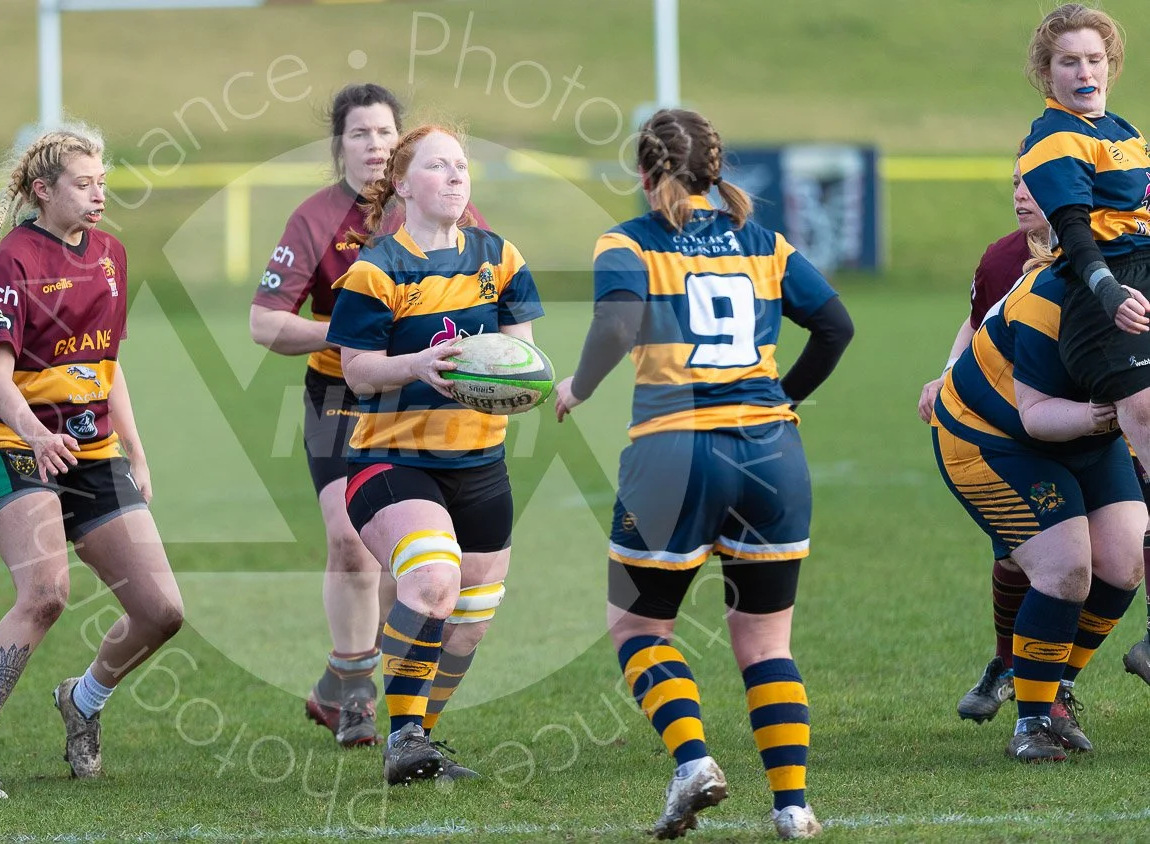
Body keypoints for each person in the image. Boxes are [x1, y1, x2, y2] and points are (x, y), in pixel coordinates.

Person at [554, 108, 853, 840]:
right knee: (765, 643)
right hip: (771, 456)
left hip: (675, 453)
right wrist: (783, 398)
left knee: (639, 625)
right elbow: (836, 325)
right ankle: (792, 807)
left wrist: (578, 388)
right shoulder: (765, 242)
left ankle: (693, 761)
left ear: (644, 172)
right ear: (718, 171)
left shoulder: (627, 242)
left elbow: (618, 326)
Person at [0, 123, 184, 801]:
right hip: (12, 448)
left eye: (103, 181)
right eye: (83, 183)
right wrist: (36, 436)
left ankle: (85, 700)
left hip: (93, 451)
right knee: (46, 594)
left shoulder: (110, 254)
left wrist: (135, 446)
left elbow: (107, 363)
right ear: (43, 191)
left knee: (163, 610)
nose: (98, 193)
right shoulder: (10, 262)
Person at [249, 83, 486, 749]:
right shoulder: (316, 218)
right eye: (360, 134)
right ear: (339, 146)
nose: (376, 145)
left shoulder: (441, 203)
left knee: (406, 557)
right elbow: (264, 323)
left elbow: (492, 287)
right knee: (349, 539)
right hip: (341, 398)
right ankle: (354, 694)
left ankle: (351, 680)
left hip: (419, 399)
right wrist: (355, 336)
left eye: (386, 133)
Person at [327, 123, 542, 785]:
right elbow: (358, 371)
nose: (455, 177)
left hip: (481, 463)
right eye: (437, 166)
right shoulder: (376, 270)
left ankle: (422, 737)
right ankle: (404, 740)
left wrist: (514, 380)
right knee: (431, 581)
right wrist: (418, 364)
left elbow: (520, 358)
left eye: (460, 167)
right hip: (390, 461)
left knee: (469, 624)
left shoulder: (498, 257)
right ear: (402, 183)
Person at [932, 246, 1145, 762]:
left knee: (1124, 559)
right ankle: (1032, 724)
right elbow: (1037, 416)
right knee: (1066, 567)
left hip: (1093, 436)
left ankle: (1053, 691)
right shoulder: (1046, 298)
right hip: (995, 438)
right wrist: (1103, 414)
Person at [1018, 6, 1150, 679]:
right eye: (1070, 61)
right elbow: (1073, 233)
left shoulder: (1125, 132)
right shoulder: (1051, 139)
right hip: (1106, 297)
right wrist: (1107, 291)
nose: (1085, 71)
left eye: (1094, 59)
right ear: (1048, 71)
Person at [916, 157, 1049, 724]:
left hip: (1090, 418)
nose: (1020, 195)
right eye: (1015, 183)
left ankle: (1051, 686)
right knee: (1021, 557)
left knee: (1102, 555)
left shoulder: (1111, 251)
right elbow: (979, 325)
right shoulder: (1002, 257)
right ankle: (1007, 666)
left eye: (1034, 184)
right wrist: (946, 375)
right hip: (1013, 422)